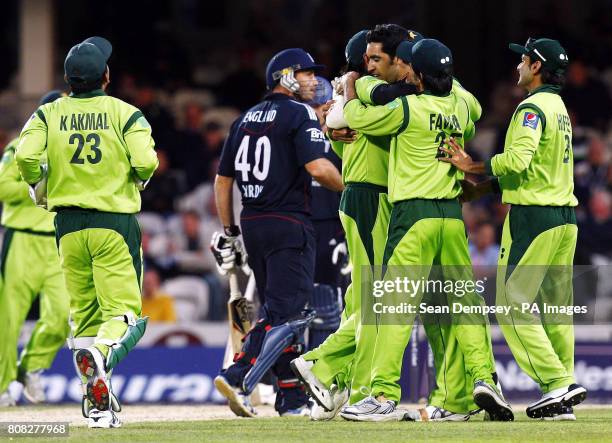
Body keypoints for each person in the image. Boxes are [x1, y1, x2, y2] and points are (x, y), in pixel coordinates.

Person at [335, 38, 511, 422]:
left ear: (414, 73)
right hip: (451, 216)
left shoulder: (406, 109)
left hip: (412, 216)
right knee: (464, 306)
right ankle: (485, 378)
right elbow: (474, 103)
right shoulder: (462, 106)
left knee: (394, 306)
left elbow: (355, 116)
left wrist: (352, 81)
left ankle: (381, 395)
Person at [440, 37, 587, 421]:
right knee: (557, 310)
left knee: (511, 304)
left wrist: (471, 165)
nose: (518, 65)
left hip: (533, 219)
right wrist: (483, 189)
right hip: (564, 219)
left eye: (523, 59)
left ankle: (557, 382)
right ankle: (562, 397)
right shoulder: (558, 107)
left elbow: (519, 160)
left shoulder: (532, 107)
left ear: (536, 67)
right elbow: (541, 167)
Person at [16, 36, 158, 428]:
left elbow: (26, 156)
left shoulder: (47, 115)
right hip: (112, 222)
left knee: (85, 316)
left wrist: (38, 186)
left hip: (66, 226)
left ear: (67, 78)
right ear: (106, 76)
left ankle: (97, 408)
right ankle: (102, 357)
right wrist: (136, 178)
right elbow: (146, 162)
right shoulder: (126, 114)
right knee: (125, 315)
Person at [211, 48, 343, 417]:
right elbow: (318, 168)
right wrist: (350, 188)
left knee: (280, 311)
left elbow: (222, 182)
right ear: (284, 76)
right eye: (305, 73)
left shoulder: (244, 118)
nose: (314, 80)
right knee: (289, 315)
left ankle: (291, 398)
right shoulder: (298, 113)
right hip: (289, 223)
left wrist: (229, 230)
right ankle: (238, 373)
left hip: (252, 224)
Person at [0, 91, 69, 407]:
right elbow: (3, 188)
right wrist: (37, 183)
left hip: (57, 243)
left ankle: (29, 367)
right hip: (22, 240)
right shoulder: (18, 147)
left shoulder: (68, 150)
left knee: (61, 316)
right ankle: (2, 387)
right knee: (8, 319)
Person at [305, 76, 345, 352]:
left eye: (322, 104)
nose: (319, 109)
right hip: (299, 222)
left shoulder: (344, 131)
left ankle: (321, 367)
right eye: (312, 104)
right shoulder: (295, 129)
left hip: (333, 225)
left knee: (328, 299)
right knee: (296, 303)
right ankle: (289, 377)